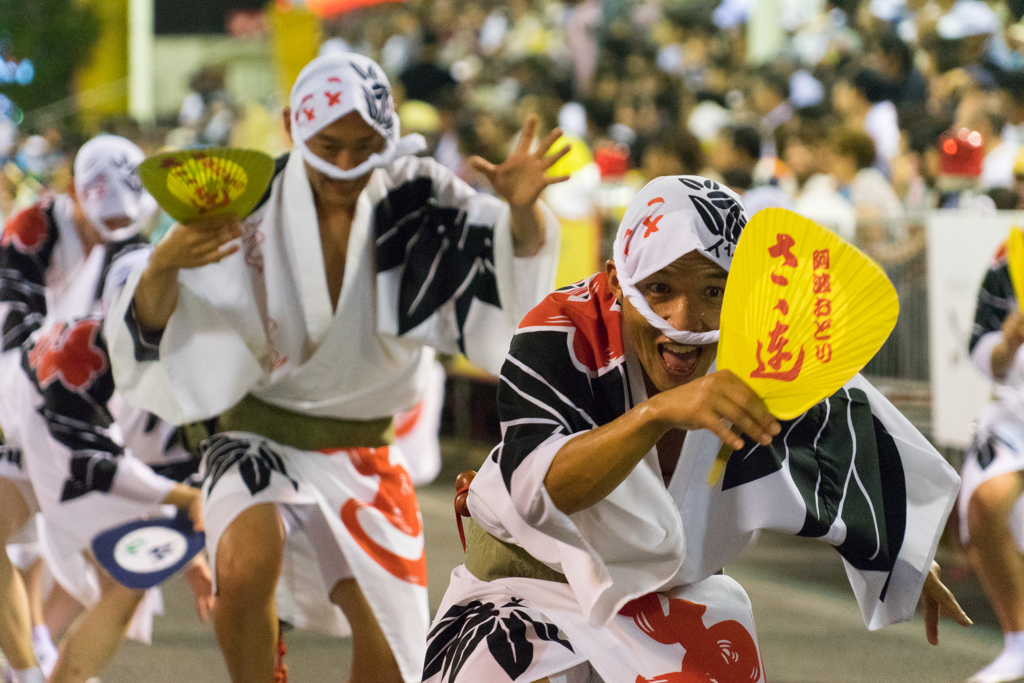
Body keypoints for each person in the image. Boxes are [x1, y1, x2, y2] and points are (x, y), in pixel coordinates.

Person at [104, 52, 566, 683]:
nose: (346, 163)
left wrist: (520, 211)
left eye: (362, 145)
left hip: (366, 449)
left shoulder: (416, 193)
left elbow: (503, 262)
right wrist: (163, 265)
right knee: (242, 570)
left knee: (392, 656)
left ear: (387, 135)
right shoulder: (247, 197)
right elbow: (161, 316)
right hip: (257, 432)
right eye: (329, 145)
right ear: (295, 129)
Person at [425, 175, 969, 683]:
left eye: (714, 292)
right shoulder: (562, 332)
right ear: (618, 281)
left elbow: (843, 443)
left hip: (672, 608)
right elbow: (539, 489)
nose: (685, 323)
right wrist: (657, 414)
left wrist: (903, 553)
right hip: (523, 594)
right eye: (660, 289)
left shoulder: (763, 359)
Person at [0, 135, 155, 683]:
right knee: (16, 523)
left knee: (82, 533)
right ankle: (27, 664)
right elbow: (11, 328)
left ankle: (42, 644)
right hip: (20, 392)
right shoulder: (32, 228)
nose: (110, 231)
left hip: (89, 401)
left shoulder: (131, 241)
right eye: (100, 220)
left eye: (122, 223)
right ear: (73, 193)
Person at [960, 243, 1024, 683]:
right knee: (986, 500)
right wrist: (1009, 341)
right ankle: (1018, 642)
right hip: (1016, 410)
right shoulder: (1012, 256)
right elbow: (983, 351)